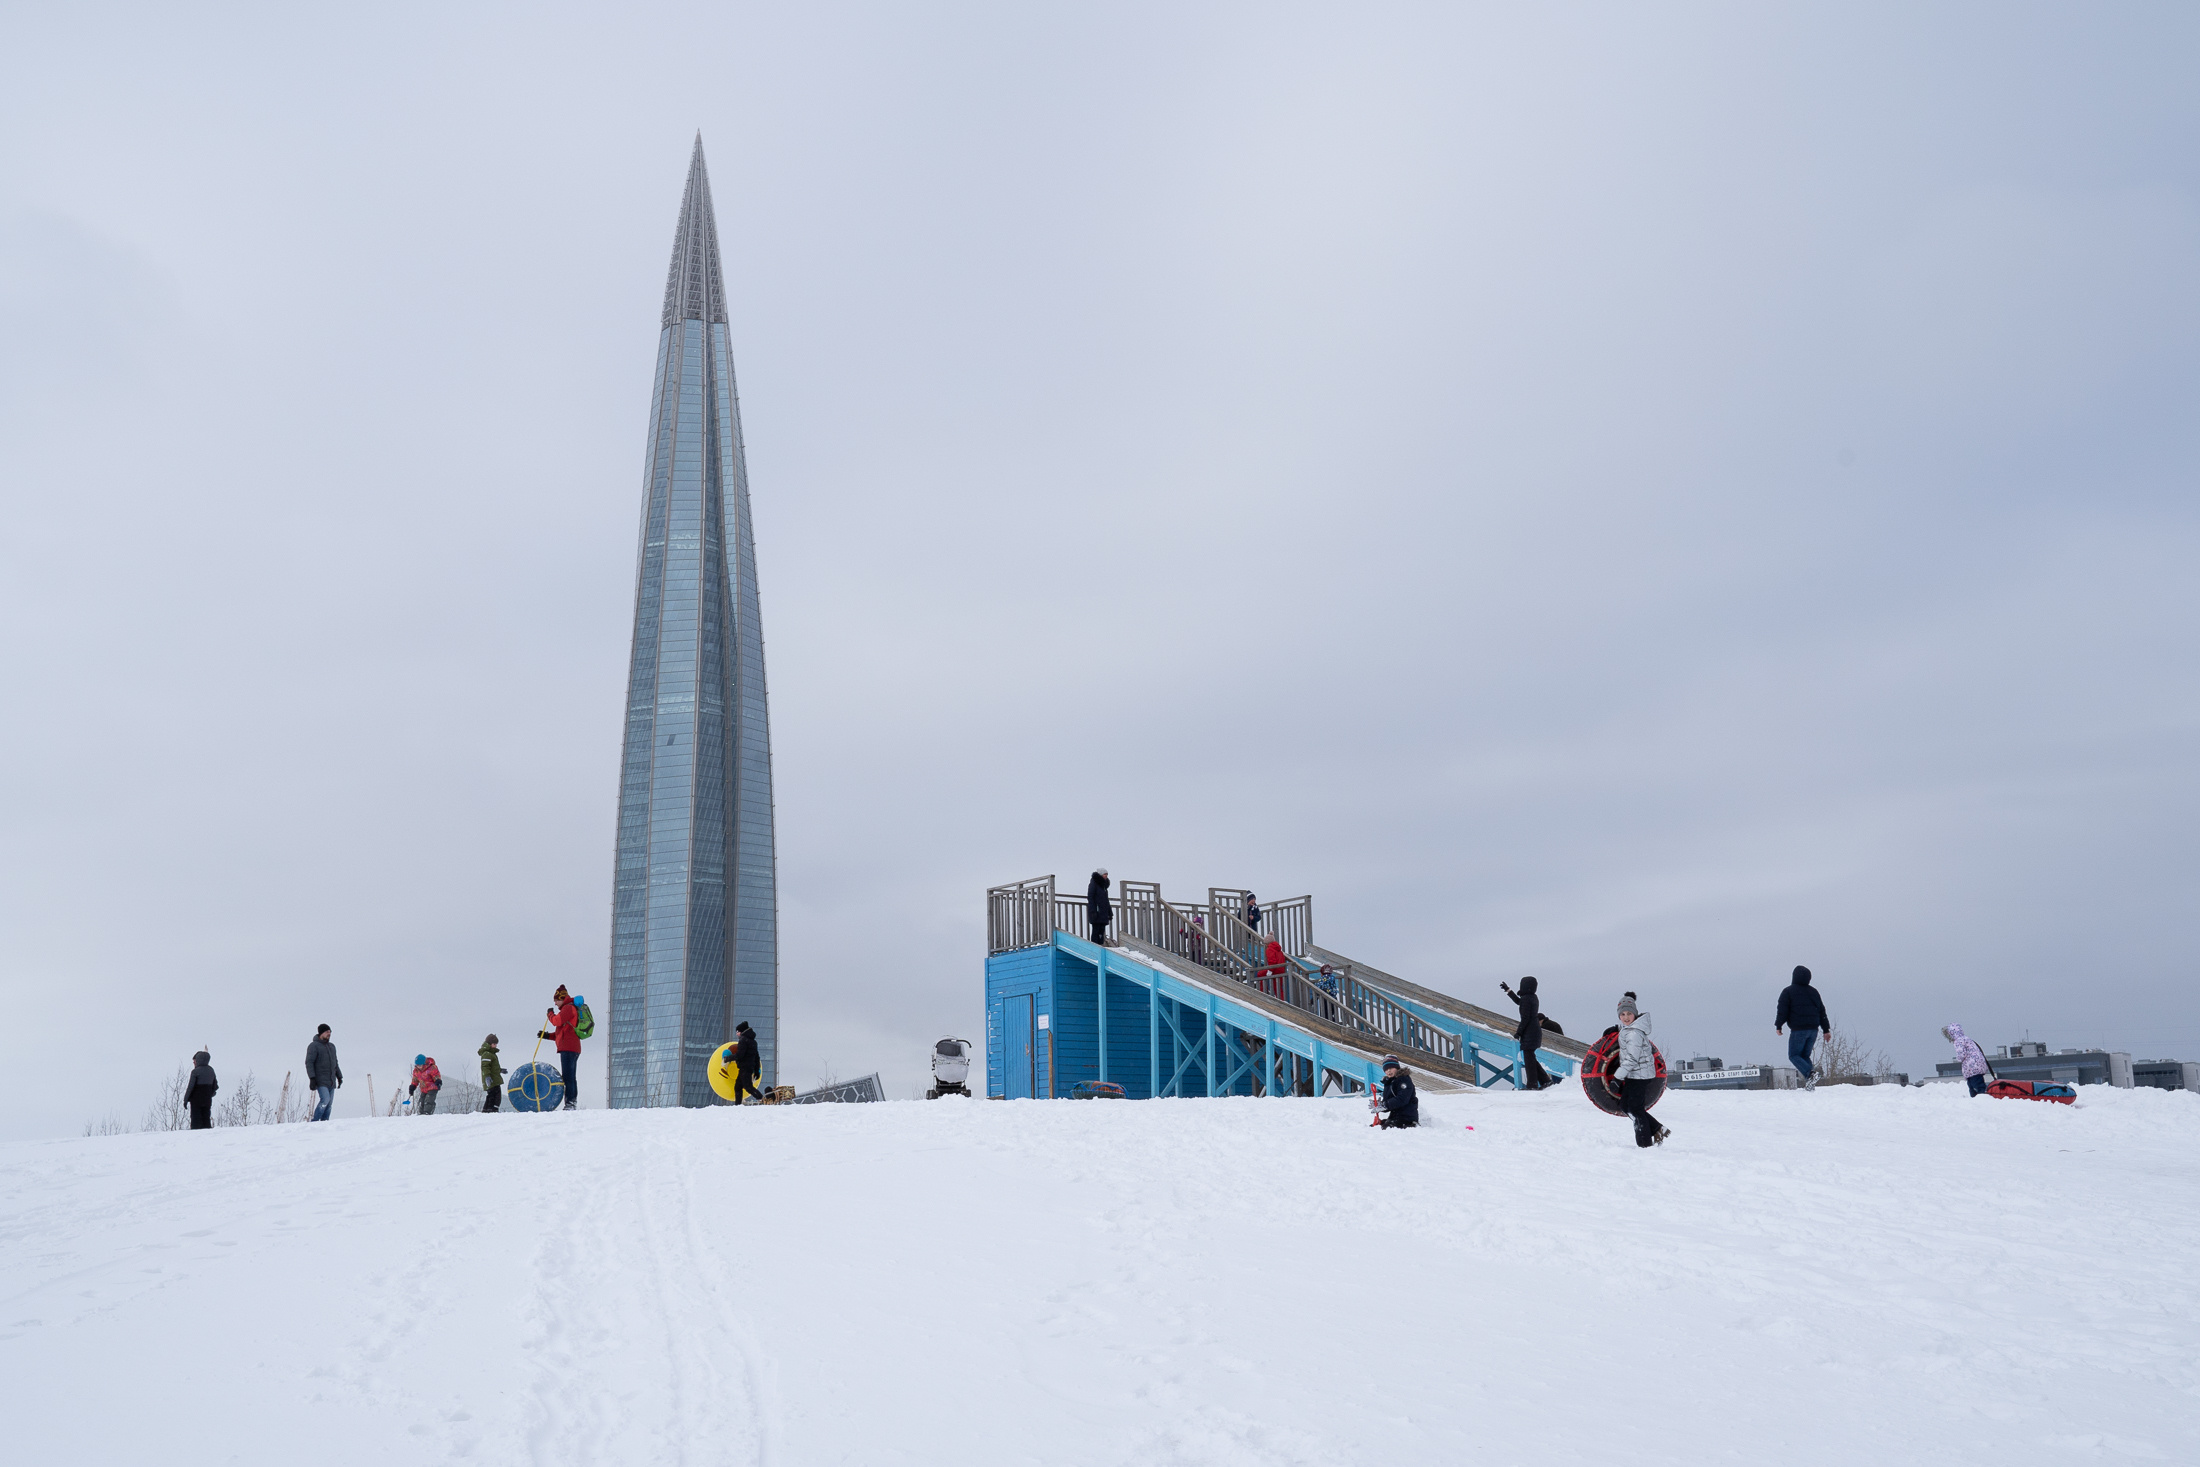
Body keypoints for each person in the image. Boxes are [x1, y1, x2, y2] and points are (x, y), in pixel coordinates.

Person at [1614, 994, 1668, 1147]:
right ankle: (1658, 1129)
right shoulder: (1630, 1030)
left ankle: (1645, 1144)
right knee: (1626, 1106)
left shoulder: (1633, 1033)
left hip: (1639, 1075)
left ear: (1635, 1014)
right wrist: (1616, 1030)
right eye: (1622, 1014)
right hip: (1635, 1074)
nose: (1626, 1017)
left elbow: (1632, 1058)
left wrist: (1617, 1078)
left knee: (1635, 1110)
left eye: (1629, 1014)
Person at [1775, 965, 1831, 1091]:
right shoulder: (1814, 992)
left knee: (1794, 1055)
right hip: (1813, 1030)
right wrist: (1826, 1030)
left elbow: (1782, 1010)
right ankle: (1810, 1084)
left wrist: (1779, 1025)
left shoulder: (1788, 992)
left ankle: (1810, 1075)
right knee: (1804, 1056)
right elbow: (1822, 1011)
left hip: (1799, 1029)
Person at [1500, 976, 1553, 1090]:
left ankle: (1533, 1085)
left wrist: (1518, 1032)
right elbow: (1519, 1002)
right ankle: (1545, 1081)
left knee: (1529, 1061)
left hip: (1529, 1031)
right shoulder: (1533, 997)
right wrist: (1509, 991)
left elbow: (1525, 1018)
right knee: (1531, 1058)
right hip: (1534, 1030)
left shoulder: (1526, 999)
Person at [541, 985, 582, 1110]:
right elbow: (561, 1033)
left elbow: (557, 1021)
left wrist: (550, 1014)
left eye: (556, 1000)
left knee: (569, 1077)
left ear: (562, 998)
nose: (555, 1003)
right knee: (569, 1076)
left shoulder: (568, 1008)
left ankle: (570, 1103)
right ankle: (570, 1102)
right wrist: (547, 1036)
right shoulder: (567, 1009)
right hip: (569, 1047)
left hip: (569, 1048)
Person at [304, 1024, 341, 1121]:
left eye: (330, 1032)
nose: (329, 1034)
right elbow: (309, 1063)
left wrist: (339, 1077)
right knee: (325, 1100)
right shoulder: (313, 1046)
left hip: (331, 1080)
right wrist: (312, 1078)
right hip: (320, 1080)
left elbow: (335, 1063)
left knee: (329, 1104)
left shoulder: (332, 1047)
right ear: (321, 1033)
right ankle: (315, 1121)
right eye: (327, 1032)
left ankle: (325, 1123)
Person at [1943, 1023, 1991, 1096]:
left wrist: (1958, 1058)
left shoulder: (1958, 1041)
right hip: (1978, 1065)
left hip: (1971, 1067)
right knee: (1978, 1083)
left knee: (1974, 1086)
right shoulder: (1966, 1038)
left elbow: (1961, 1054)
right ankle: (1980, 1095)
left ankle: (1979, 1097)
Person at [1378, 1055, 1419, 1128]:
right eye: (1386, 1069)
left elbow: (1402, 1099)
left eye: (1391, 1068)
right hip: (1395, 1116)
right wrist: (1379, 1106)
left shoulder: (1404, 1080)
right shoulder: (1388, 1083)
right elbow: (1388, 1102)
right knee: (1376, 1126)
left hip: (1407, 1117)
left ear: (1397, 1068)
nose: (1389, 1071)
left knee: (1386, 1129)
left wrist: (1385, 1105)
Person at [185, 1049, 218, 1130]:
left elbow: (190, 1087)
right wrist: (210, 1094)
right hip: (207, 1100)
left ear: (198, 1060)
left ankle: (195, 1139)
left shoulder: (195, 1072)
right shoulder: (211, 1070)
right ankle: (207, 1138)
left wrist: (185, 1100)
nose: (193, 1062)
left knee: (196, 1122)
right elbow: (215, 1086)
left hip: (195, 1101)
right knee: (206, 1120)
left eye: (194, 1060)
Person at [730, 1020, 762, 1104]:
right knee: (738, 1087)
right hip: (748, 1068)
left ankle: (762, 1099)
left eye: (737, 1032)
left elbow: (739, 1055)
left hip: (744, 1068)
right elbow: (756, 1058)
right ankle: (737, 1106)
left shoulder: (743, 1040)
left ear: (741, 1032)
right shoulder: (753, 1042)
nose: (736, 1034)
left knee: (748, 1087)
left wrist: (728, 1058)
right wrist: (756, 1071)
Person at [479, 1034, 506, 1112]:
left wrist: (500, 1070)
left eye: (496, 1044)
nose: (495, 1045)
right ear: (489, 1044)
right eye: (494, 1044)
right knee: (494, 1095)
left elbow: (493, 1067)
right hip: (491, 1079)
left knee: (493, 1095)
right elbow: (485, 1067)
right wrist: (487, 1076)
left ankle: (488, 1110)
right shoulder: (487, 1054)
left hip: (494, 1078)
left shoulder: (491, 1054)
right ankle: (491, 1110)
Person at [1087, 870, 1112, 948]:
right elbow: (1090, 896)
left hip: (1103, 912)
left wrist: (1110, 912)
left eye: (1107, 874)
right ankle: (1094, 947)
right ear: (1100, 875)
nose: (1106, 876)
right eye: (1104, 874)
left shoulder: (1104, 887)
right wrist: (1093, 910)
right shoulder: (1094, 883)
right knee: (1096, 930)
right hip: (1096, 911)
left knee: (1102, 930)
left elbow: (1106, 900)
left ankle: (1101, 946)